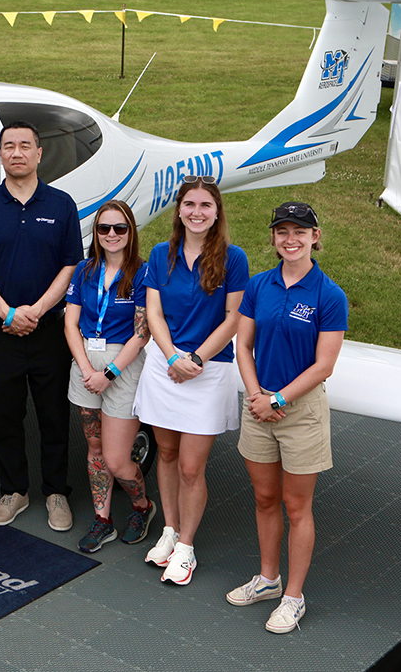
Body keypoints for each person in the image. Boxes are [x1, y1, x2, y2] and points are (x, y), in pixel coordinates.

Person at [228, 201, 347, 634]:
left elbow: (323, 366)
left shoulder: (329, 296)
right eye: (282, 231)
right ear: (274, 238)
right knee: (263, 499)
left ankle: (293, 597)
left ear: (316, 237)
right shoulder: (259, 286)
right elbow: (243, 346)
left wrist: (277, 399)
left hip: (299, 412)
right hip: (259, 403)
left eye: (300, 231)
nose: (290, 239)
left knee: (296, 506)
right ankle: (268, 580)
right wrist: (258, 395)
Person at [0, 121, 84, 531]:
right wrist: (8, 313)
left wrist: (35, 310)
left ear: (38, 154)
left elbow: (71, 264)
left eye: (25, 146)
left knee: (54, 416)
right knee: (6, 416)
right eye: (8, 146)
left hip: (49, 330)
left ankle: (56, 492)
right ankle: (14, 490)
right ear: (0, 154)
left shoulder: (61, 204)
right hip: (0, 331)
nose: (16, 152)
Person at [133, 175, 249, 586]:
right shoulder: (161, 255)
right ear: (179, 210)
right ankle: (168, 530)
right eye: (189, 205)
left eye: (205, 205)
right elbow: (154, 314)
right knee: (165, 455)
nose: (197, 212)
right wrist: (171, 357)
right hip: (165, 367)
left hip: (208, 370)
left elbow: (234, 318)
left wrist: (196, 357)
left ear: (216, 212)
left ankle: (186, 546)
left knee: (189, 466)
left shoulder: (233, 258)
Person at [63, 200, 154, 553]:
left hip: (122, 365)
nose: (112, 235)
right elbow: (70, 322)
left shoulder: (143, 274)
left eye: (120, 228)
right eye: (104, 228)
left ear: (131, 232)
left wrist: (109, 373)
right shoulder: (84, 270)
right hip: (85, 362)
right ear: (96, 233)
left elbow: (142, 332)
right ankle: (103, 520)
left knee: (118, 459)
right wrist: (87, 369)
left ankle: (142, 506)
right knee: (95, 449)